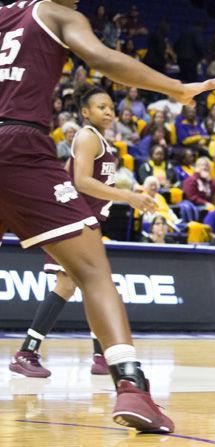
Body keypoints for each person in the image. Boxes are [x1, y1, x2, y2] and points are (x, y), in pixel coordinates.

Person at [0, 0, 215, 433]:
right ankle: (132, 387)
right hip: (19, 144)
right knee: (93, 272)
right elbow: (103, 58)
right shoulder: (53, 13)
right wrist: (175, 88)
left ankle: (33, 350)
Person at [11, 84, 156, 378]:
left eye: (111, 108)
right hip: (71, 222)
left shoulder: (96, 140)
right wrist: (129, 196)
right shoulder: (88, 136)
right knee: (70, 285)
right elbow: (82, 182)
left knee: (93, 284)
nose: (108, 112)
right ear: (85, 112)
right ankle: (27, 352)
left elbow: (66, 175)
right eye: (101, 107)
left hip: (84, 220)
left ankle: (100, 356)